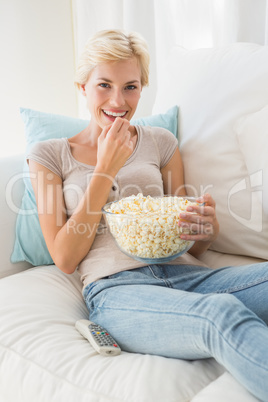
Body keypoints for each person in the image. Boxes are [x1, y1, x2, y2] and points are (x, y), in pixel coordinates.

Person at [28, 29, 268, 401]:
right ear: (83, 87)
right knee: (219, 314)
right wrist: (105, 169)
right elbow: (64, 257)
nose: (118, 101)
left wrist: (203, 230)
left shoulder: (161, 142)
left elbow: (190, 241)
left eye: (131, 87)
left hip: (188, 275)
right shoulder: (49, 154)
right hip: (118, 291)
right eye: (104, 85)